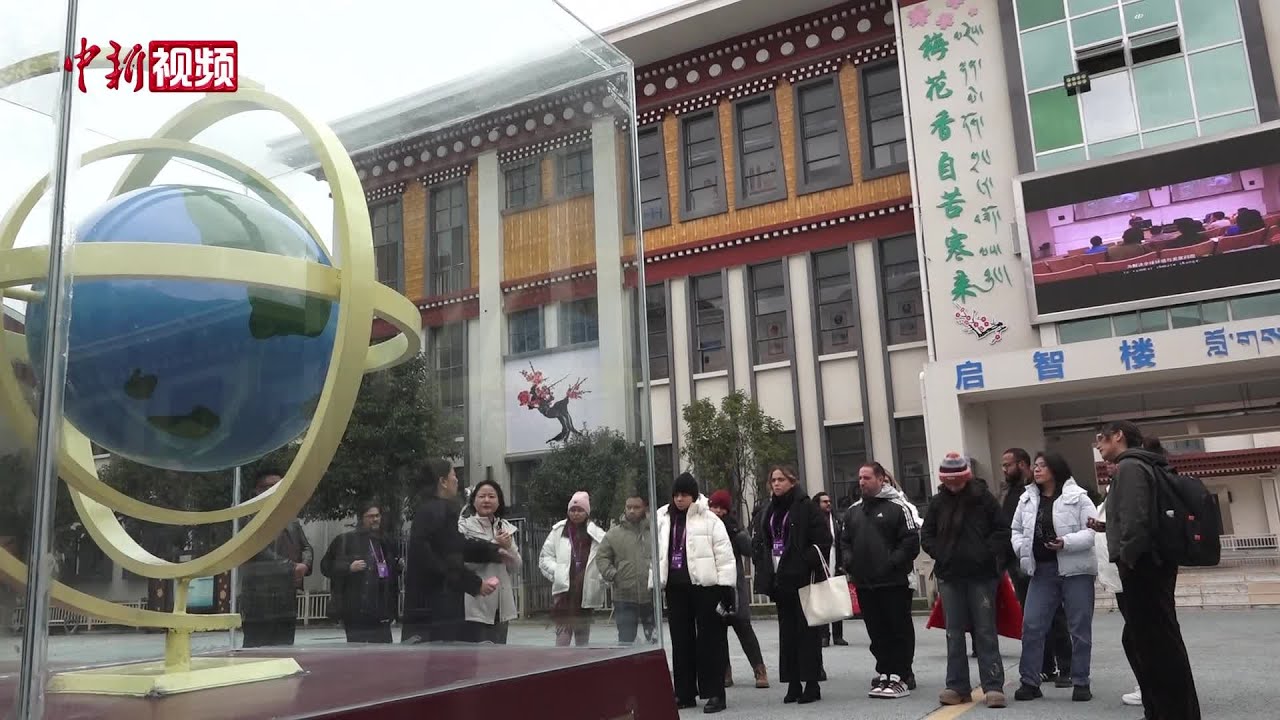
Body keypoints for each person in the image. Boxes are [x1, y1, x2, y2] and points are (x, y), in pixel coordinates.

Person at [1094, 421, 1201, 720]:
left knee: (1155, 648)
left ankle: (1169, 713)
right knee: (1162, 643)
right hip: (1155, 564)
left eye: (1102, 438)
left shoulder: (1130, 467)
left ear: (1119, 436)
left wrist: (1126, 558)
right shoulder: (1148, 464)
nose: (1098, 445)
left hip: (1143, 567)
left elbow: (1135, 520)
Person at [919, 453, 1010, 709]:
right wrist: (940, 553)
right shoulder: (938, 502)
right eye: (948, 481)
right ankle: (957, 685)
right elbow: (926, 534)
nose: (953, 485)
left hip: (982, 575)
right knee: (954, 632)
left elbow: (1002, 530)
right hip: (950, 574)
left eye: (957, 480)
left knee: (985, 630)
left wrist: (986, 552)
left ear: (966, 477)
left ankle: (993, 686)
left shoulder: (983, 498)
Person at [1010, 452, 1099, 703]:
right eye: (1035, 466)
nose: (1037, 470)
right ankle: (1029, 681)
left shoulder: (1079, 497)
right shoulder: (1027, 498)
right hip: (1042, 570)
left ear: (1056, 469)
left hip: (1076, 570)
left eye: (1043, 466)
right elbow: (1016, 529)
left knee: (1079, 628)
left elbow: (1091, 532)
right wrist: (1021, 548)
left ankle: (1081, 681)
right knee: (1032, 625)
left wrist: (1065, 542)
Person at [839, 462, 921, 699]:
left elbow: (910, 542)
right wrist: (849, 560)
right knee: (876, 631)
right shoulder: (853, 511)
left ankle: (902, 674)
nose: (862, 482)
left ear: (880, 479)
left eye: (867, 478)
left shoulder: (898, 507)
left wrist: (892, 563)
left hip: (893, 582)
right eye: (860, 478)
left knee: (898, 629)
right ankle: (884, 671)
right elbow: (845, 541)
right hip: (865, 582)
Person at [656, 473, 736, 714]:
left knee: (709, 641)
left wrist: (726, 586)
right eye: (676, 495)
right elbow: (656, 552)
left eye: (684, 495)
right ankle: (684, 692)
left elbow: (724, 554)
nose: (679, 499)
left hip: (705, 586)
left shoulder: (709, 519)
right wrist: (655, 581)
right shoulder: (663, 518)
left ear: (693, 495)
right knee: (681, 641)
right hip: (675, 587)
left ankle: (715, 692)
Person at [751, 464, 830, 705]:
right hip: (779, 579)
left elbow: (823, 541)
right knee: (787, 634)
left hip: (802, 579)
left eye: (781, 479)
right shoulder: (769, 509)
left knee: (807, 633)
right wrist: (762, 561)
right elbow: (762, 539)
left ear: (792, 482)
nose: (776, 484)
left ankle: (812, 684)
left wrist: (803, 562)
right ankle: (793, 682)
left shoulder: (806, 507)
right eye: (773, 480)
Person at [402, 459, 502, 643]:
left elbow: (455, 545)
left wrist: (492, 551)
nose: (457, 480)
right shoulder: (443, 511)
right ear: (443, 481)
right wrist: (476, 584)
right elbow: (448, 558)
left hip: (422, 607)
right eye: (453, 475)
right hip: (440, 608)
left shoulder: (426, 510)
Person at [1001, 448, 1071, 686]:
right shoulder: (1015, 493)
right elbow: (1013, 528)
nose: (1004, 469)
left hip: (1049, 562)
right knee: (1033, 620)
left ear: (1022, 464)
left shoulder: (1042, 493)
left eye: (1008, 465)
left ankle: (1066, 667)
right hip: (1021, 561)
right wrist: (1018, 550)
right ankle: (1044, 666)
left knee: (1056, 616)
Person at [239, 469, 313, 648]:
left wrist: (304, 565)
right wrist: (291, 567)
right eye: (269, 486)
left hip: (286, 597)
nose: (275, 490)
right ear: (257, 490)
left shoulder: (290, 519)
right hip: (259, 598)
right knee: (257, 650)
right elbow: (258, 549)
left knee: (284, 647)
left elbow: (306, 546)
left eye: (279, 486)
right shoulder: (248, 517)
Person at [708, 489, 768, 689]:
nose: (717, 511)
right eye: (714, 507)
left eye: (721, 507)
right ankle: (725, 671)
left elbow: (751, 550)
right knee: (718, 633)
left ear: (727, 510)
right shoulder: (705, 529)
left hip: (734, 588)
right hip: (713, 587)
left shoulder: (734, 531)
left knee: (743, 627)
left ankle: (759, 669)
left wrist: (748, 536)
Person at [320, 499, 400, 643]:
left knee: (383, 652)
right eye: (370, 516)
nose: (375, 519)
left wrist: (397, 566)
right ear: (361, 518)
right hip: (355, 611)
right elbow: (325, 566)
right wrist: (348, 568)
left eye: (377, 516)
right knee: (358, 651)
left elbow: (390, 575)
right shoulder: (346, 540)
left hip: (380, 611)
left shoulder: (385, 541)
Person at [539, 491, 606, 647]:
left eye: (580, 510)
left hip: (585, 590)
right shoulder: (558, 531)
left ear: (587, 512)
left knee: (582, 637)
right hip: (564, 591)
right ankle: (562, 661)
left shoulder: (597, 534)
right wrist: (559, 573)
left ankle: (581, 662)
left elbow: (606, 560)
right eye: (572, 510)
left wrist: (597, 579)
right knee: (562, 637)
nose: (575, 514)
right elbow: (545, 558)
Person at [458, 480, 521, 643]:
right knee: (478, 653)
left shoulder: (505, 528)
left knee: (498, 654)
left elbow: (516, 567)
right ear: (473, 501)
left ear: (499, 501)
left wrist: (509, 548)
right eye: (482, 496)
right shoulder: (464, 527)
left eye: (492, 496)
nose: (487, 500)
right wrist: (494, 545)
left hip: (502, 606)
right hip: (476, 604)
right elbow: (464, 563)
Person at [596, 493, 656, 645]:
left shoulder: (654, 532)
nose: (632, 511)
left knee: (654, 641)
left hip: (650, 595)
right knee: (626, 642)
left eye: (636, 507)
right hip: (624, 596)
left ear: (644, 508)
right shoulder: (613, 534)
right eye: (629, 507)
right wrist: (613, 575)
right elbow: (602, 557)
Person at [812, 492, 847, 648]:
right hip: (821, 560)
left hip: (835, 559)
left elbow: (842, 541)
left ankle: (838, 635)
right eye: (824, 501)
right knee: (823, 599)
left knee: (837, 597)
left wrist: (843, 563)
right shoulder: (814, 520)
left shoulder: (836, 520)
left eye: (829, 501)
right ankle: (824, 635)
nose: (828, 504)